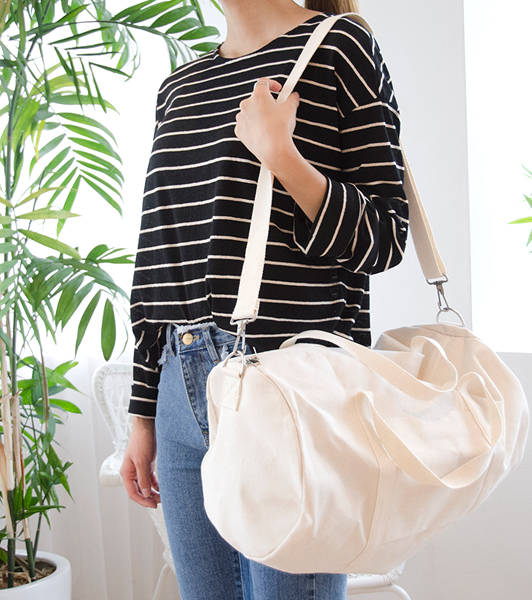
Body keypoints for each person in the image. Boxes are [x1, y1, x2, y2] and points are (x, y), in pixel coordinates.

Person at [121, 0, 408, 598]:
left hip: (291, 386)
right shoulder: (179, 88)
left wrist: (283, 157)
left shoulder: (339, 47)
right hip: (178, 386)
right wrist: (143, 413)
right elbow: (156, 259)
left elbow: (385, 238)